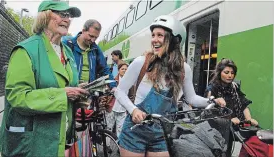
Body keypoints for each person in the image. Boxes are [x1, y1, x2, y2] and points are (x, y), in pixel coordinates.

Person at [114, 15, 226, 157]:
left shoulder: (184, 69)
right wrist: (133, 110)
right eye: (153, 35)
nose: (154, 39)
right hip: (135, 131)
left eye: (160, 35)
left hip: (163, 132)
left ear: (174, 39)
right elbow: (120, 91)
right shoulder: (141, 63)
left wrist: (211, 101)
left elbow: (191, 98)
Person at [0, 1, 89, 156]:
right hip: (33, 143)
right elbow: (18, 96)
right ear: (44, 16)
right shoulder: (26, 50)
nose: (67, 19)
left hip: (59, 138)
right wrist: (63, 94)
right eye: (62, 14)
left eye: (69, 16)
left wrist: (79, 93)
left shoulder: (67, 51)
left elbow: (64, 84)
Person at [204, 58, 268, 157]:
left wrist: (249, 119)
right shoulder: (212, 88)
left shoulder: (234, 87)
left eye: (232, 73)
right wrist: (228, 119)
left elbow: (243, 104)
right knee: (219, 152)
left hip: (232, 127)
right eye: (226, 72)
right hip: (216, 128)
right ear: (219, 72)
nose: (230, 75)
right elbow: (210, 112)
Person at [106, 63, 131, 137]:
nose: (124, 70)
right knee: (109, 129)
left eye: (126, 69)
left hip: (123, 110)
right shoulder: (113, 81)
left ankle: (118, 146)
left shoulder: (130, 82)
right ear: (118, 70)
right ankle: (107, 146)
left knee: (120, 130)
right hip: (112, 109)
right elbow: (107, 93)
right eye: (122, 69)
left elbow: (132, 96)